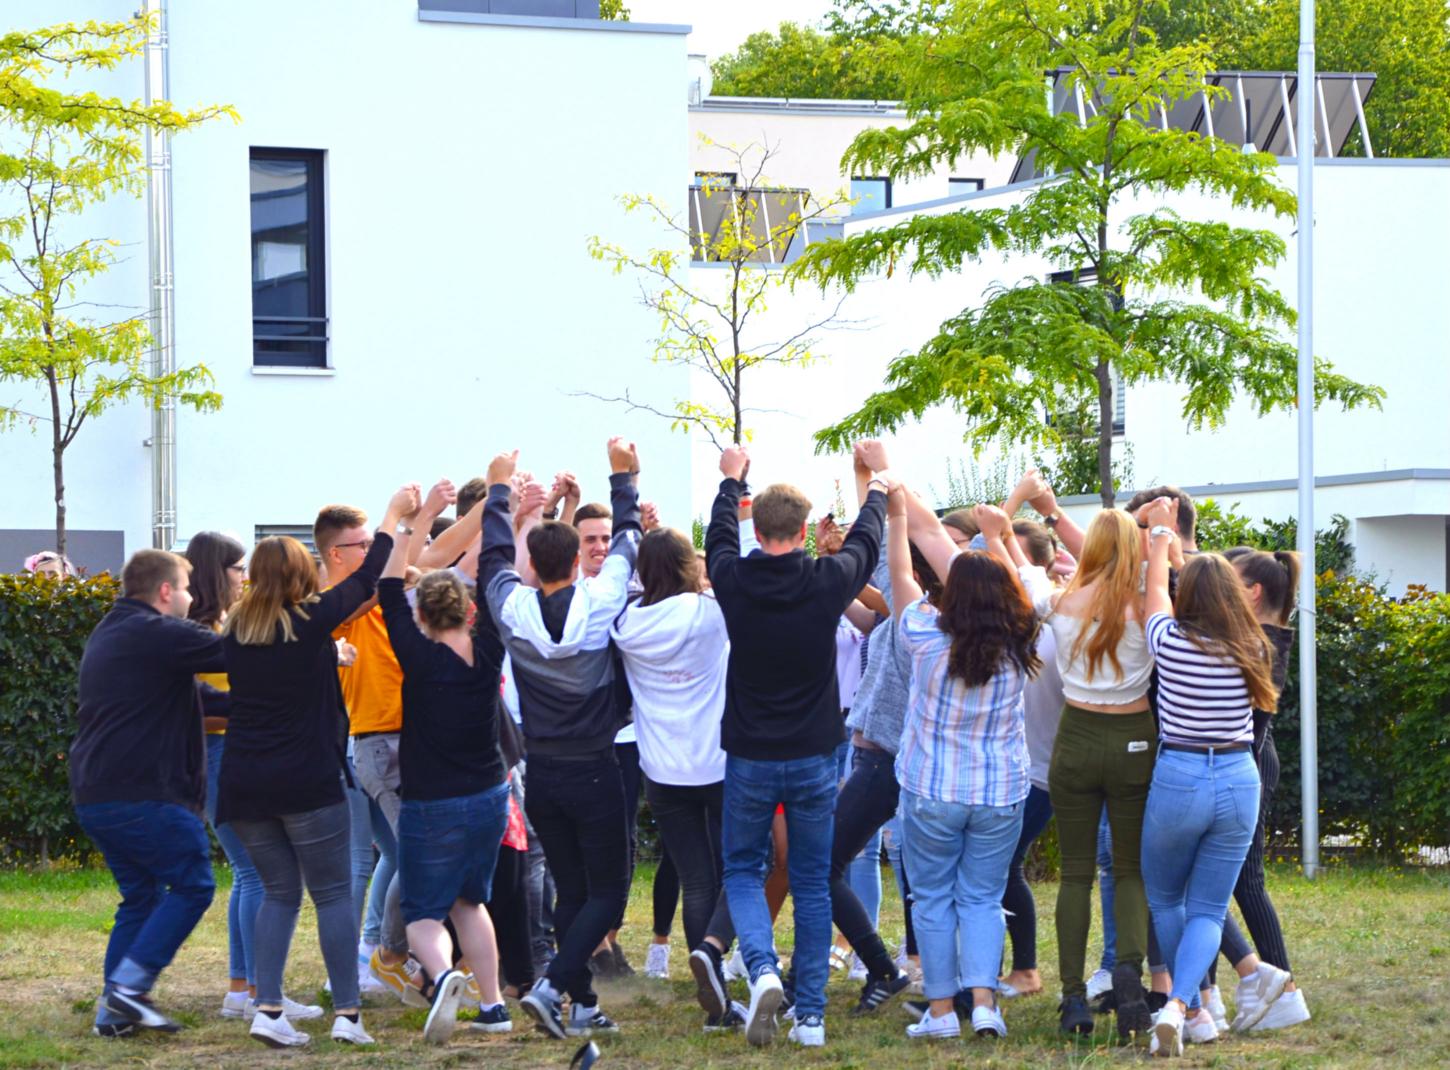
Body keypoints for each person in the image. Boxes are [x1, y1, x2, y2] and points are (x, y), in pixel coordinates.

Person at [217, 484, 416, 1048]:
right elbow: (369, 576)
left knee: (279, 893)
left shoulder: (235, 627)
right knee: (331, 895)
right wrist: (394, 517)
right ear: (304, 573)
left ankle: (267, 1006)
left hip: (243, 783)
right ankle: (347, 1016)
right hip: (305, 778)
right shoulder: (311, 620)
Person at [706, 439, 889, 1049]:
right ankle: (810, 1015)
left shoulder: (731, 579)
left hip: (751, 756)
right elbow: (867, 539)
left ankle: (760, 969)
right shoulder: (827, 579)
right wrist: (878, 480)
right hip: (814, 754)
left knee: (742, 867)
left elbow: (717, 539)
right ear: (807, 529)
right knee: (811, 880)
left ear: (759, 527)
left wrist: (732, 481)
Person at [477, 441, 641, 1040]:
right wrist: (623, 475)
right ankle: (551, 987)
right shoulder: (599, 602)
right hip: (595, 768)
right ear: (576, 561)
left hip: (541, 772)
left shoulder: (510, 606)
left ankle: (583, 1003)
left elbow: (494, 555)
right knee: (607, 891)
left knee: (571, 888)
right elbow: (626, 541)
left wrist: (499, 491)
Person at [890, 495, 1039, 1041]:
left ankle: (941, 1012)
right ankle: (984, 1005)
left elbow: (901, 572)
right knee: (981, 897)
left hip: (932, 789)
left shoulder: (926, 634)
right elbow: (1028, 585)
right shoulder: (1022, 641)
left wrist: (897, 513)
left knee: (931, 898)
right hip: (999, 793)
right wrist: (998, 537)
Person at [1136, 499, 1277, 1057]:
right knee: (1209, 910)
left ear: (1185, 596)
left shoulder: (1169, 642)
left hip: (1180, 773)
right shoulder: (1255, 648)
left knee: (1167, 898)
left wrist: (1158, 537)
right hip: (1239, 778)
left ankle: (1186, 1004)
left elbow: (1152, 591)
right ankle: (1183, 1010)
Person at [376, 484, 513, 1045]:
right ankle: (495, 1004)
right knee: (470, 902)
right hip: (489, 795)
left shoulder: (417, 654)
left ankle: (443, 975)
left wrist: (408, 520)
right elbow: (500, 574)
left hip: (432, 803)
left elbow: (386, 584)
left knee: (422, 916)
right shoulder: (489, 649)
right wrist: (504, 502)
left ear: (422, 617)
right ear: (470, 610)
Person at [70, 549, 224, 1037]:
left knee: (141, 897)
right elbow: (238, 651)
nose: (192, 597)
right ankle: (130, 989)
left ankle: (112, 1015)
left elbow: (198, 697)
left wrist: (258, 708)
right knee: (195, 884)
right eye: (186, 588)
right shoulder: (154, 631)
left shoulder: (119, 632)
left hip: (99, 791)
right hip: (143, 793)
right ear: (164, 591)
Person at [612, 525, 748, 1031]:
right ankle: (713, 954)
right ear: (692, 566)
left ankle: (707, 983)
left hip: (662, 769)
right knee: (741, 869)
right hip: (717, 761)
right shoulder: (710, 613)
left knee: (696, 878)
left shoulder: (626, 625)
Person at [1034, 508, 1161, 1039]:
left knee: (1079, 873)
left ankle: (1071, 998)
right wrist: (1157, 540)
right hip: (1133, 736)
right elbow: (1160, 580)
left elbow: (1024, 573)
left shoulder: (1059, 601)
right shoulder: (1145, 604)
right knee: (1130, 868)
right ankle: (1129, 970)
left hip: (1077, 736)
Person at [185, 532, 291, 1022]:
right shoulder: (197, 632)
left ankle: (242, 987)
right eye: (236, 568)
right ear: (215, 572)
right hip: (219, 756)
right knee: (259, 875)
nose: (243, 577)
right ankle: (256, 992)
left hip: (227, 755)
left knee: (251, 875)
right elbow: (193, 711)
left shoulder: (220, 624)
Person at [1219, 547, 1307, 1032]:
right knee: (1234, 881)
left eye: (1227, 583)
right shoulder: (1262, 635)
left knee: (1244, 880)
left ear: (1252, 594)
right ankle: (1278, 987)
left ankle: (1283, 988)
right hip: (1251, 765)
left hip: (1249, 767)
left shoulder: (1264, 641)